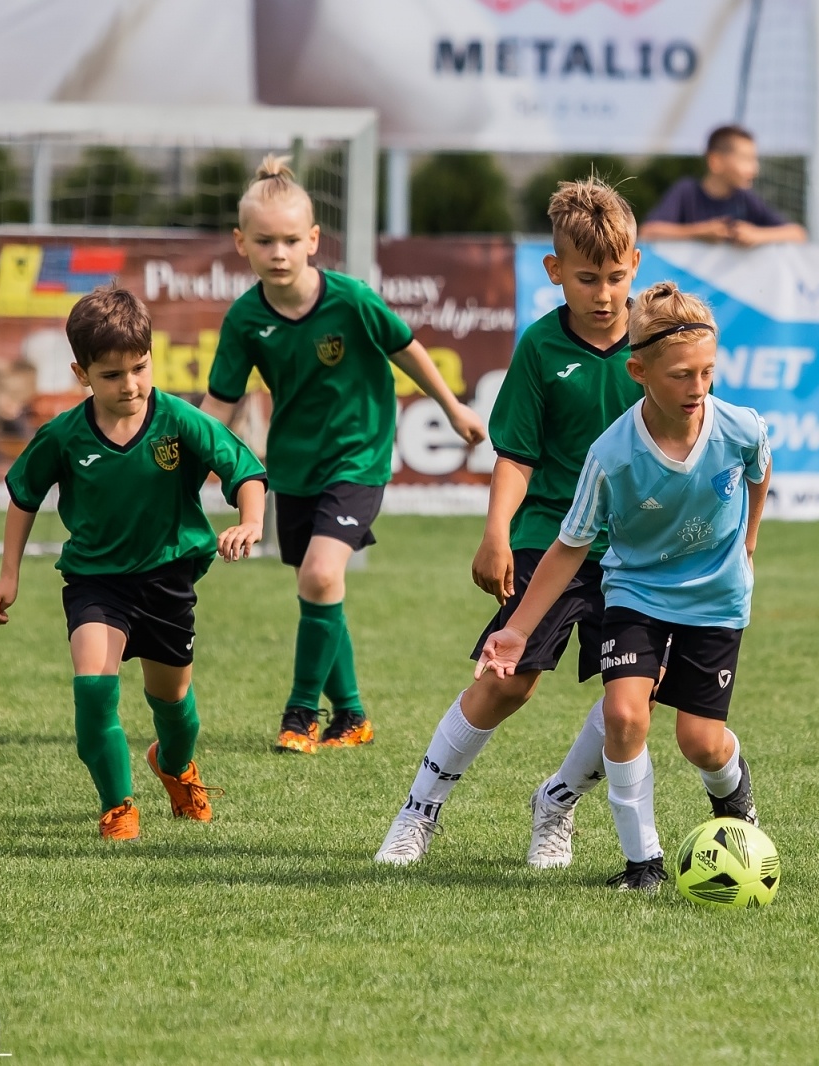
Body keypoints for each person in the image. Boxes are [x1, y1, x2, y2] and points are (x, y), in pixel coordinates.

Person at [374, 177, 644, 869]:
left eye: (617, 276)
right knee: (507, 678)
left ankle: (556, 802)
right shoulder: (540, 349)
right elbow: (517, 456)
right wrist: (497, 532)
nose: (605, 293)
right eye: (587, 278)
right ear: (555, 273)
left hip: (641, 549)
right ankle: (419, 810)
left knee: (634, 697)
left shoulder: (658, 341)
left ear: (636, 265)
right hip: (551, 537)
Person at [477, 282, 772, 892]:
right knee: (623, 713)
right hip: (635, 592)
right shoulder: (611, 453)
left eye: (708, 373)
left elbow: (759, 469)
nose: (698, 389)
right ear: (639, 371)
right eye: (682, 376)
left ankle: (735, 804)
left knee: (701, 742)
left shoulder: (738, 427)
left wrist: (748, 545)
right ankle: (645, 865)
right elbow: (568, 546)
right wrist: (516, 631)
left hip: (716, 600)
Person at [202, 156, 486, 754]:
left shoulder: (351, 300)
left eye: (289, 240)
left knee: (322, 574)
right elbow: (219, 405)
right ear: (241, 244)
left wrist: (452, 407)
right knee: (318, 589)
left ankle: (301, 714)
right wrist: (182, 458)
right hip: (294, 468)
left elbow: (406, 349)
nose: (277, 252)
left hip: (358, 460)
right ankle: (351, 715)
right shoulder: (245, 319)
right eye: (263, 241)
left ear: (312, 241)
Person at [0, 288, 268, 841]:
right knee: (93, 691)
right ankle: (118, 806)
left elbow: (244, 471)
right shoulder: (64, 434)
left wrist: (251, 520)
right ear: (81, 373)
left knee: (174, 706)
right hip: (96, 581)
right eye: (111, 375)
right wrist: (8, 574)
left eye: (139, 368)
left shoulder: (179, 420)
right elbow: (23, 495)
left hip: (167, 582)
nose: (130, 384)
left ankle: (176, 764)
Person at [640, 125, 807, 247]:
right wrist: (700, 232)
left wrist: (758, 235)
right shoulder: (687, 191)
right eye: (745, 159)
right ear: (715, 161)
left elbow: (797, 234)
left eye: (754, 160)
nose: (754, 169)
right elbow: (648, 232)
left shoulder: (745, 198)